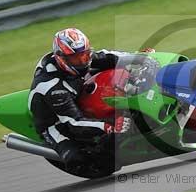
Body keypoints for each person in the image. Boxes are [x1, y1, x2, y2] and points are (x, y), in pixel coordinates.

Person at [29, 27, 131, 167]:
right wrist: (109, 126)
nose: (82, 61)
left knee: (112, 68)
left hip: (76, 92)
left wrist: (139, 57)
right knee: (77, 159)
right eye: (75, 58)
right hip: (57, 123)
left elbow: (107, 55)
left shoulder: (82, 58)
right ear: (61, 58)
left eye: (85, 54)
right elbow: (74, 123)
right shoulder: (53, 88)